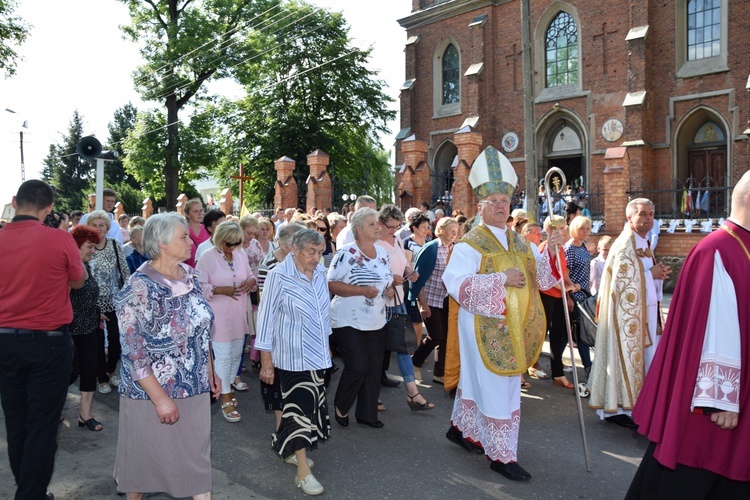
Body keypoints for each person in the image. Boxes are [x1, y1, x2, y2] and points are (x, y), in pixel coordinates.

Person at [626, 170, 750, 498]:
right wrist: (722, 401)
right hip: (716, 401)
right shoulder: (719, 249)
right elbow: (717, 326)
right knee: (694, 471)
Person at [441, 146, 560, 481]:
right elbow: (456, 284)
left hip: (515, 326)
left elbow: (544, 279)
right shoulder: (470, 243)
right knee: (497, 387)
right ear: (480, 205)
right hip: (484, 324)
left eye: (504, 201)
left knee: (481, 383)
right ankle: (501, 455)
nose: (499, 206)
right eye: (492, 200)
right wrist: (499, 280)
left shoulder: (520, 242)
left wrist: (550, 251)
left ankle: (461, 430)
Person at [114, 213, 220, 499]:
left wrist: (211, 370)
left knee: (198, 465)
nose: (191, 241)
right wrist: (160, 400)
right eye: (183, 237)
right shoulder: (137, 288)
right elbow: (134, 354)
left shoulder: (191, 277)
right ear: (161, 243)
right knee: (140, 466)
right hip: (149, 395)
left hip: (195, 389)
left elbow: (202, 329)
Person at [0, 179, 86, 500]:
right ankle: (31, 495)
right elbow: (78, 281)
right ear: (49, 208)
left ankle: (29, 491)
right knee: (43, 424)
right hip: (49, 343)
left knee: (17, 421)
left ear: (14, 201)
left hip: (5, 342)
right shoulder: (60, 240)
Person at [256, 229, 332, 496]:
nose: (316, 258)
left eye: (320, 252)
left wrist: (328, 349)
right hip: (291, 357)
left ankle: (284, 446)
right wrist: (266, 362)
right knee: (299, 412)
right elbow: (264, 320)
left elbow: (323, 315)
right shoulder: (279, 275)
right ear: (296, 250)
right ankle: (302, 471)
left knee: (310, 409)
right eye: (311, 252)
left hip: (318, 356)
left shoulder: (320, 273)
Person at [587, 198, 672, 427]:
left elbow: (642, 275)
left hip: (645, 312)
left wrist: (658, 274)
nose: (648, 219)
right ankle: (620, 410)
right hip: (625, 318)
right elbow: (620, 287)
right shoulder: (625, 246)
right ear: (629, 217)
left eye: (651, 214)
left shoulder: (642, 242)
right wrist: (650, 275)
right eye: (643, 214)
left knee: (645, 361)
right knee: (628, 361)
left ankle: (637, 407)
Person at [328, 208, 394, 429]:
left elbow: (385, 281)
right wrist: (361, 291)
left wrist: (389, 290)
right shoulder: (346, 253)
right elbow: (332, 285)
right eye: (372, 224)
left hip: (376, 318)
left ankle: (367, 414)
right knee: (358, 365)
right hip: (348, 317)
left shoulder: (383, 252)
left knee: (374, 367)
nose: (378, 226)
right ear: (358, 229)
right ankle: (341, 404)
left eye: (378, 223)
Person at [196, 221, 256, 423]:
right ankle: (225, 396)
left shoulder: (241, 254)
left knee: (236, 354)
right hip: (218, 315)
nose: (233, 247)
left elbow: (250, 276)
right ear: (220, 240)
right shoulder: (207, 257)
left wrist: (251, 281)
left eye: (236, 243)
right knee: (222, 356)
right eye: (229, 243)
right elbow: (197, 286)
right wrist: (220, 289)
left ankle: (228, 387)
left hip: (238, 313)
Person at [375, 205, 433, 410]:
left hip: (397, 301)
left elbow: (402, 263)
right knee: (375, 352)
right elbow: (372, 273)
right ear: (380, 224)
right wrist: (390, 279)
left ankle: (413, 393)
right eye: (390, 226)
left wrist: (409, 271)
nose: (393, 230)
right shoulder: (374, 243)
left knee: (401, 348)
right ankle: (371, 396)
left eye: (397, 226)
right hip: (379, 304)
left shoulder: (397, 239)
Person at [256, 223, 305, 434]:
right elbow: (267, 306)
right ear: (284, 244)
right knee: (278, 388)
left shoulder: (303, 262)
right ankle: (282, 434)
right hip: (278, 335)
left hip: (299, 335)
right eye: (299, 243)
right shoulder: (270, 265)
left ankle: (295, 433)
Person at [409, 217, 460, 385]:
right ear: (440, 231)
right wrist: (423, 305)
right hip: (430, 299)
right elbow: (419, 279)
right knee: (436, 336)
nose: (454, 234)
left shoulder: (453, 249)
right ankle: (414, 361)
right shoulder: (431, 249)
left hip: (445, 300)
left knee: (445, 337)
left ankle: (439, 373)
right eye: (451, 231)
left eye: (456, 231)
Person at [87, 210, 131, 395]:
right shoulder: (85, 246)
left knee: (115, 339)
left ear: (107, 227)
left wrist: (129, 295)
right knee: (96, 342)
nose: (98, 229)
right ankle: (102, 378)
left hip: (114, 300)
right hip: (92, 302)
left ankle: (112, 368)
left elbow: (125, 271)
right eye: (94, 225)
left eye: (101, 225)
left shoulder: (114, 245)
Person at [69, 225, 106, 432]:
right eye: (89, 246)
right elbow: (62, 300)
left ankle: (86, 415)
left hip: (90, 327)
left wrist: (96, 312)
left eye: (94, 247)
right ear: (76, 245)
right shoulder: (69, 267)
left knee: (90, 370)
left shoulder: (86, 265)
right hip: (71, 329)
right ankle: (53, 409)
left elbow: (86, 297)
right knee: (70, 372)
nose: (93, 251)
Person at [564, 215, 593, 377]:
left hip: (585, 294)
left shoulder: (583, 247)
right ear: (574, 228)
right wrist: (569, 296)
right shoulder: (570, 248)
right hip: (574, 295)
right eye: (582, 228)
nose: (585, 231)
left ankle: (588, 365)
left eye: (588, 228)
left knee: (583, 331)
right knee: (579, 332)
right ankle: (588, 365)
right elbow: (565, 272)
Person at [403, 211, 432, 349]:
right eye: (424, 227)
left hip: (428, 287)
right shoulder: (407, 243)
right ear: (414, 227)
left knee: (425, 318)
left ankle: (418, 348)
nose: (427, 229)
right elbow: (407, 265)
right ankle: (416, 348)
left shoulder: (429, 243)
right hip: (413, 286)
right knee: (416, 320)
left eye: (428, 227)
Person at [185, 198, 209, 268]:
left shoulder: (208, 230)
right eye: (195, 211)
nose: (199, 213)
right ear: (187, 215)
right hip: (189, 272)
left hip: (207, 272)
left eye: (201, 210)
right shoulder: (183, 231)